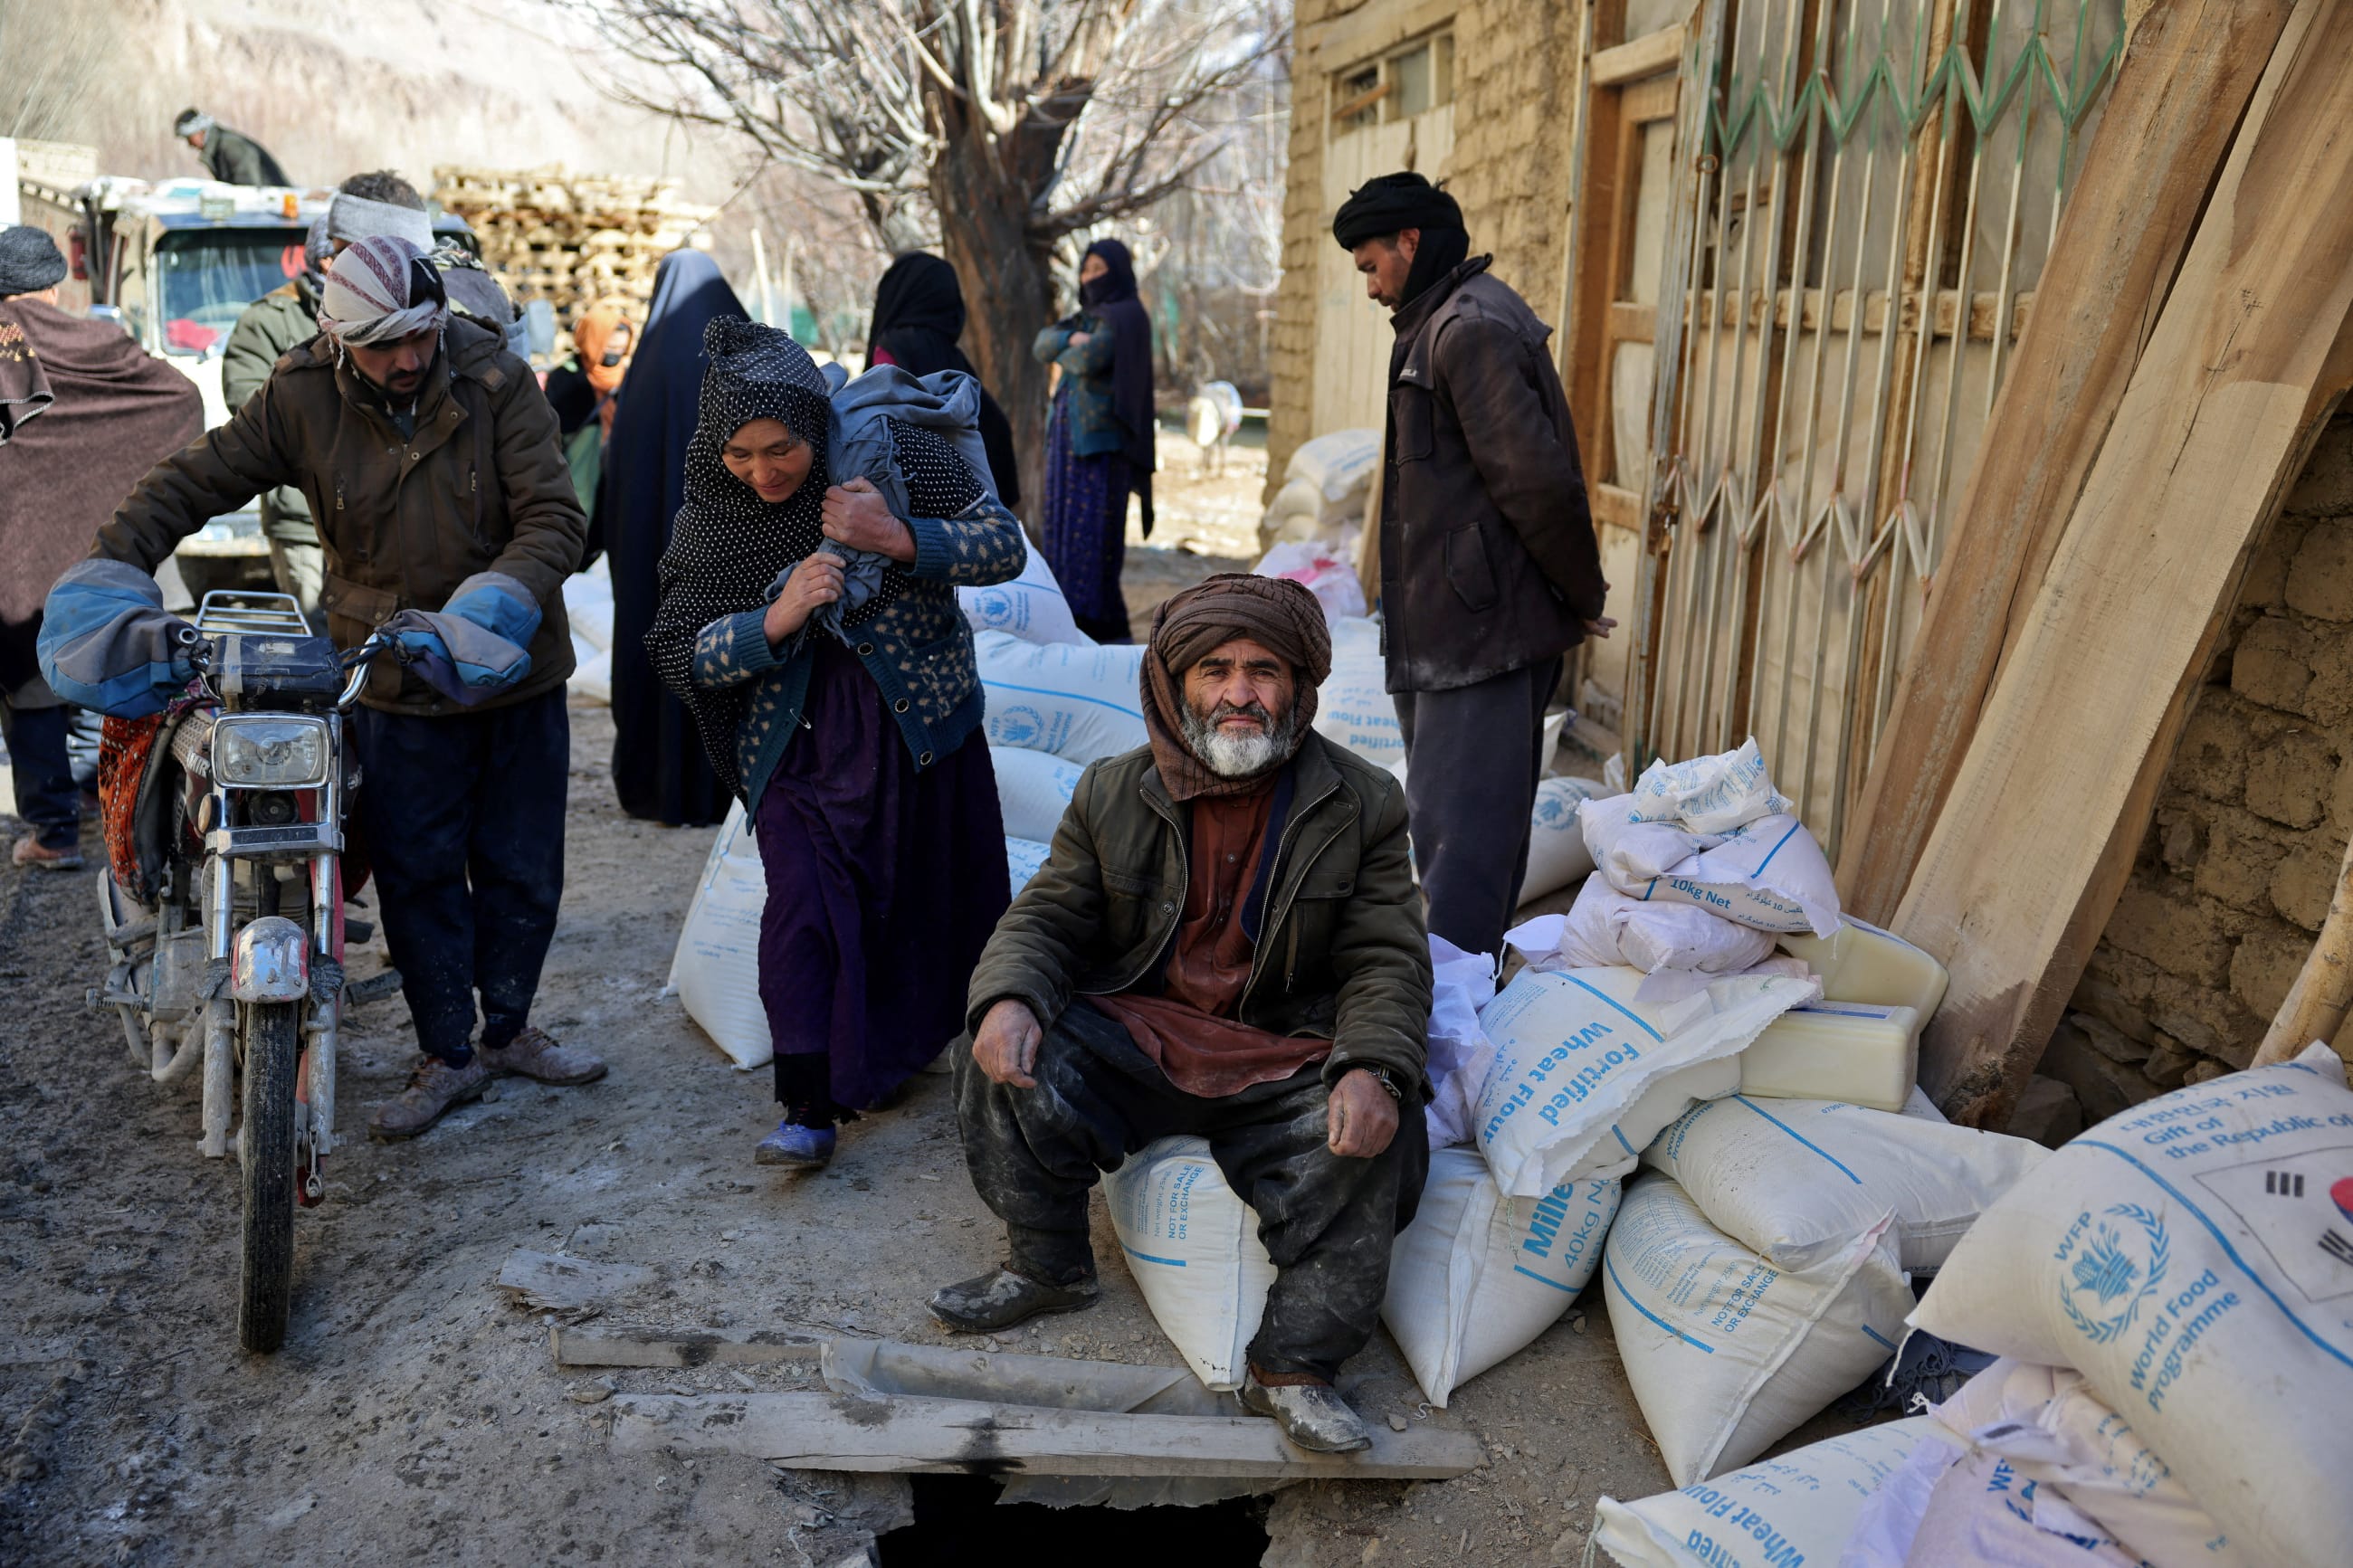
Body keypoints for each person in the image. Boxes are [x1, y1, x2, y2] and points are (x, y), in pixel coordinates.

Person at [84, 233, 604, 1140]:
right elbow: (196, 480)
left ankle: (511, 1029)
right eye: (381, 344)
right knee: (417, 868)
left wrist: (490, 607)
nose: (406, 359)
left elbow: (555, 517)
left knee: (522, 864)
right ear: (337, 337)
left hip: (512, 664)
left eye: (419, 335)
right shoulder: (301, 396)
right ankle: (447, 1051)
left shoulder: (494, 380)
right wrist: (112, 560)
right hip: (390, 673)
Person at [933, 573, 1432, 1455]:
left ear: (1299, 684)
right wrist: (1007, 996)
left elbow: (1385, 953)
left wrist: (1369, 1064)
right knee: (992, 1052)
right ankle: (1045, 1263)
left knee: (1378, 1132)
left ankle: (1297, 1364)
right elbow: (1048, 914)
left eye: (1262, 669)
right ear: (1174, 683)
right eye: (1213, 669)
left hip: (1283, 1050)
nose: (1239, 692)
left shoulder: (1361, 803)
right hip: (1141, 1033)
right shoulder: (1111, 791)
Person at [647, 319, 1026, 1168]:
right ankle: (807, 1105)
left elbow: (1003, 545)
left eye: (779, 448)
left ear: (813, 424)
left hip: (914, 721)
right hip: (794, 739)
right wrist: (770, 621)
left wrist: (895, 537)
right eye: (739, 454)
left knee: (929, 901)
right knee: (802, 911)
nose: (761, 471)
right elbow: (676, 647)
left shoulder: (887, 450)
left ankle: (938, 1056)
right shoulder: (715, 514)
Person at [1333, 172, 1613, 958]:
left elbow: (1535, 483)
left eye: (1370, 266)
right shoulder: (1442, 321)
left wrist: (1580, 592)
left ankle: (1447, 1035)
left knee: (1463, 851)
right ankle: (1456, 1008)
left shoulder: (1470, 328)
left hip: (1479, 638)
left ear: (1410, 242)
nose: (1370, 287)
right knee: (1456, 836)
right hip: (1451, 632)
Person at [0, 225, 202, 870]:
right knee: (104, 654)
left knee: (26, 682)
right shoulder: (98, 339)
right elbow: (179, 398)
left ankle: (53, 832)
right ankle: (102, 793)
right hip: (96, 534)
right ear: (56, 286)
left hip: (17, 540)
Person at [598, 251, 745, 828]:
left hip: (654, 564)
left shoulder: (646, 373)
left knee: (662, 650)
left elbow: (618, 489)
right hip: (732, 561)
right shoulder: (745, 360)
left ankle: (658, 784)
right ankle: (723, 788)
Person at [1033, 238, 1155, 642]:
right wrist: (1070, 340)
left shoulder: (1126, 315)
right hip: (1069, 447)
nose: (1089, 277)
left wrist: (1069, 348)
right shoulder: (1089, 318)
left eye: (1099, 269)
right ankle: (1067, 622)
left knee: (1093, 544)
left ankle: (1100, 631)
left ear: (1117, 270)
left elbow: (1091, 360)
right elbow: (1041, 344)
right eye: (1086, 269)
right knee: (1064, 535)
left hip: (1101, 449)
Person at [222, 215, 333, 618]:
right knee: (317, 635)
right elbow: (250, 405)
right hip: (303, 518)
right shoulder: (268, 319)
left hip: (375, 519)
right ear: (327, 262)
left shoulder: (375, 315)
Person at [866, 252, 1020, 507]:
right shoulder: (953, 357)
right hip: (978, 500)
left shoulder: (892, 347)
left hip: (916, 499)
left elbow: (882, 422)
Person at [544, 297, 635, 513]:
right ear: (593, 342)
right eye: (609, 347)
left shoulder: (631, 379)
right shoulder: (565, 377)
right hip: (578, 481)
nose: (615, 355)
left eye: (621, 349)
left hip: (620, 477)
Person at [172, 109, 291, 187]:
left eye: (189, 138)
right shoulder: (218, 146)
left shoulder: (230, 145)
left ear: (200, 131)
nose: (190, 144)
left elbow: (248, 189)